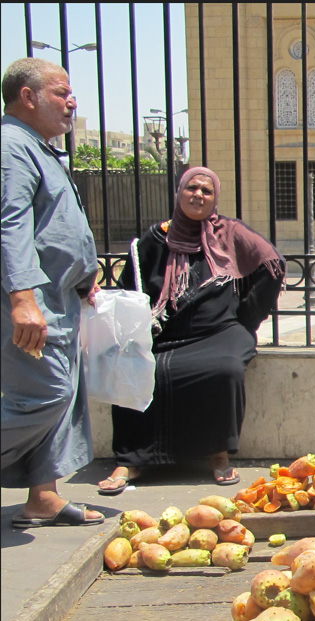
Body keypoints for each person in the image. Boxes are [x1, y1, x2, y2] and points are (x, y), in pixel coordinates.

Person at [96, 166, 284, 493]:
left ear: (215, 198)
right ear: (179, 192)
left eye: (206, 191)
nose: (198, 195)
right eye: (191, 188)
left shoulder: (230, 233)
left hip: (219, 331)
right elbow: (131, 288)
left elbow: (273, 264)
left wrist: (247, 317)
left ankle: (218, 455)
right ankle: (130, 460)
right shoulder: (154, 240)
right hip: (165, 333)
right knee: (136, 367)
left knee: (224, 369)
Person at [1, 58, 103, 529]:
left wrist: (83, 273)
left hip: (58, 297)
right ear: (28, 96)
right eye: (61, 92)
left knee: (65, 397)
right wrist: (22, 298)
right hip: (29, 298)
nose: (72, 102)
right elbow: (11, 225)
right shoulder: (11, 147)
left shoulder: (37, 148)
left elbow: (53, 227)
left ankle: (42, 497)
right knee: (48, 395)